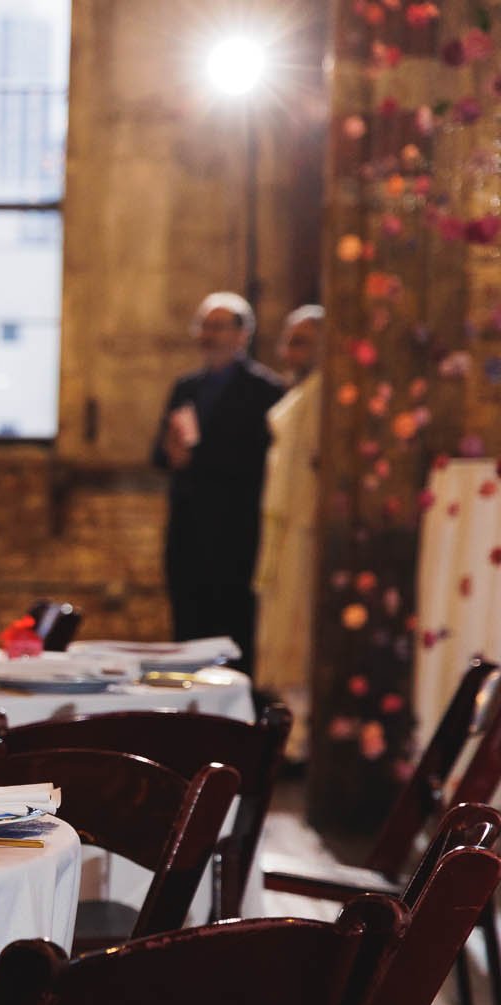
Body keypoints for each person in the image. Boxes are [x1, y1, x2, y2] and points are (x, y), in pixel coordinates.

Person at [150, 292, 287, 675]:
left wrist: (199, 458)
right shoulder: (186, 388)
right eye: (204, 327)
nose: (209, 336)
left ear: (243, 335)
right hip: (188, 532)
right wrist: (171, 455)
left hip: (236, 535)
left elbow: (260, 463)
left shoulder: (265, 391)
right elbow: (160, 454)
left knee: (235, 636)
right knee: (188, 632)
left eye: (219, 327)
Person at [256, 304, 325, 753]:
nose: (287, 351)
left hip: (305, 526)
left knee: (299, 633)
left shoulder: (324, 396)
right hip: (285, 524)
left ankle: (300, 743)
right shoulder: (303, 392)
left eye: (299, 340)